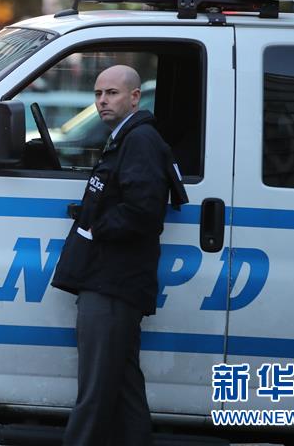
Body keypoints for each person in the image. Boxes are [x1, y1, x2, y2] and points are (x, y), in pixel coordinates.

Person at [51, 65, 187, 446]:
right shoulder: (124, 138)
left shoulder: (139, 140)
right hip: (113, 282)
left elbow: (143, 210)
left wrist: (96, 228)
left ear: (134, 97)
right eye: (97, 94)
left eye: (111, 93)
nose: (101, 101)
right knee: (125, 391)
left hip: (112, 283)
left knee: (93, 394)